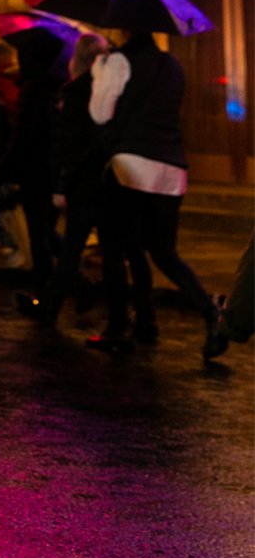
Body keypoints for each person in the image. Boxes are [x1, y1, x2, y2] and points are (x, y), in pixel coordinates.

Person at [88, 26, 229, 360]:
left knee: (116, 248)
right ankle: (209, 312)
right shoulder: (173, 64)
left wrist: (99, 72)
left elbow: (99, 113)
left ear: (123, 29)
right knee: (163, 252)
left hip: (130, 164)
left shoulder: (119, 61)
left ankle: (118, 327)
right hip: (171, 168)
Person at [40, 31, 111, 330]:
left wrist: (62, 186)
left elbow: (69, 145)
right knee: (114, 249)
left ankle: (51, 309)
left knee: (71, 247)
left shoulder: (74, 93)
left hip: (83, 181)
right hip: (109, 178)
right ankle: (124, 318)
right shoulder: (111, 91)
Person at [4, 27, 68, 303]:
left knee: (39, 237)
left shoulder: (32, 91)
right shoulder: (56, 87)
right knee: (45, 232)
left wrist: (2, 172)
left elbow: (23, 137)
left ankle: (47, 292)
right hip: (52, 171)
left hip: (35, 171)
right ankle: (68, 281)